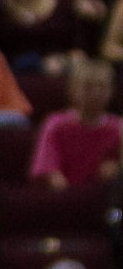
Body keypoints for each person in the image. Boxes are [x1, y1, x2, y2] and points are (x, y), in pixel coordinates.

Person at [34, 56, 122, 187]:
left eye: (102, 87)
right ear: (72, 89)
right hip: (64, 196)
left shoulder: (118, 127)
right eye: (88, 87)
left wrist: (117, 169)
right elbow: (47, 168)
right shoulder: (55, 124)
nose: (96, 93)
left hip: (102, 196)